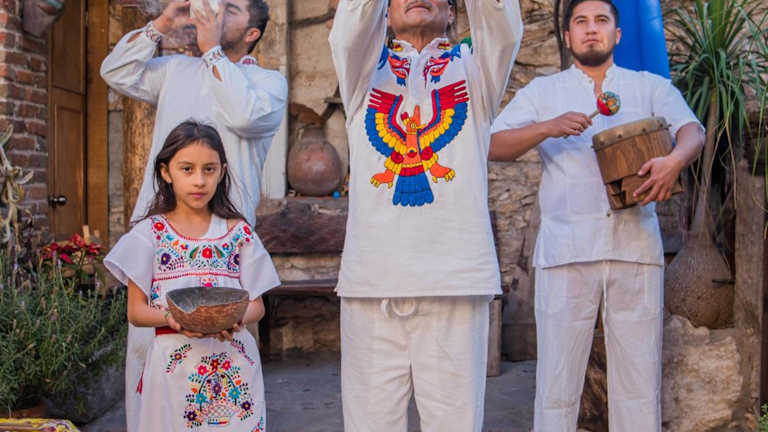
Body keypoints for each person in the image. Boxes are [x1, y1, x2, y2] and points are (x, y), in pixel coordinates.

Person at [490, 1, 705, 430]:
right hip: (565, 252)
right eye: (581, 22)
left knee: (639, 379)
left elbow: (692, 130)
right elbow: (494, 144)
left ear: (617, 35)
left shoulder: (649, 86)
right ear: (568, 36)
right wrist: (547, 127)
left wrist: (674, 161)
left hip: (634, 248)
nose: (592, 29)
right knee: (557, 381)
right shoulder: (543, 91)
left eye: (601, 21)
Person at [329, 1, 523, 430]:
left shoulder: (475, 71)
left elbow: (503, 26)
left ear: (453, 13)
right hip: (373, 281)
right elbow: (348, 31)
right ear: (384, 13)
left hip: (454, 280)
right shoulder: (363, 71)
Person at [101, 2, 286, 429]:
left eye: (231, 9)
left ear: (252, 33)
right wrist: (163, 23)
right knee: (151, 376)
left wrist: (211, 50)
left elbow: (244, 115)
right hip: (163, 243)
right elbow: (116, 72)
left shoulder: (267, 83)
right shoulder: (178, 71)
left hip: (225, 251)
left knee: (225, 384)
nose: (216, 11)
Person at [104, 121, 279, 432]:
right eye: (187, 169)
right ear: (166, 172)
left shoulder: (238, 233)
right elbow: (136, 312)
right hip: (172, 368)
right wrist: (176, 318)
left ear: (222, 172)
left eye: (209, 169)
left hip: (233, 365)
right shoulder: (150, 235)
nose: (199, 180)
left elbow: (257, 305)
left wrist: (231, 319)